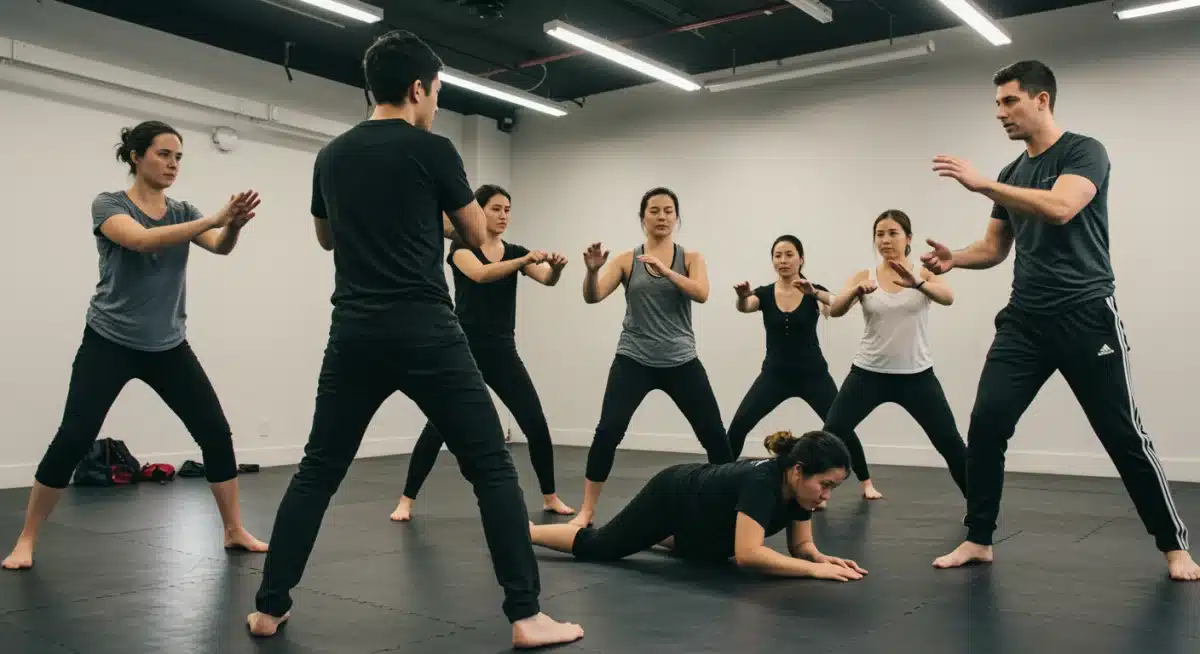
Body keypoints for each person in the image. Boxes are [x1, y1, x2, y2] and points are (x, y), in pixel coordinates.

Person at [245, 31, 585, 648]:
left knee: (318, 471)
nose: (435, 103)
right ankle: (527, 615)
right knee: (490, 468)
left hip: (353, 330)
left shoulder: (331, 155)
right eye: (437, 92)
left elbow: (326, 238)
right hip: (427, 329)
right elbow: (479, 234)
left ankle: (269, 608)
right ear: (418, 88)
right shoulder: (434, 150)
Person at [924, 60, 1199, 580]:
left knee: (1123, 435)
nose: (1001, 113)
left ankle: (1175, 547)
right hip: (1024, 322)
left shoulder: (1083, 151)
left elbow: (1062, 207)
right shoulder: (1010, 173)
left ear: (1042, 100)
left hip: (1086, 316)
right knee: (985, 426)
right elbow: (993, 247)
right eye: (997, 104)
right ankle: (978, 538)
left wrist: (983, 185)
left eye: (1010, 102)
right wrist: (954, 258)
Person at [1, 121, 267, 571]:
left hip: (168, 345)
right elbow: (141, 240)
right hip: (109, 340)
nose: (173, 164)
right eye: (164, 154)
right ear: (136, 157)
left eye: (179, 157)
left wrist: (233, 226)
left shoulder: (183, 210)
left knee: (215, 433)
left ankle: (233, 530)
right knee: (74, 437)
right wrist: (214, 218)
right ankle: (26, 538)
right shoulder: (109, 204)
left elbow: (220, 247)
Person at [391, 183, 575, 522]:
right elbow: (481, 275)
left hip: (502, 351)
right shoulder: (462, 248)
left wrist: (557, 267)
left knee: (535, 423)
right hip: (464, 352)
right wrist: (521, 260)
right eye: (495, 209)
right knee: (438, 428)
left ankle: (550, 496)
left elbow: (547, 279)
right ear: (478, 212)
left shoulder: (515, 250)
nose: (503, 215)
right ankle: (406, 499)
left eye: (507, 210)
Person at [572, 188, 734, 528]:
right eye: (654, 211)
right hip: (634, 358)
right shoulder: (624, 260)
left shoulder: (691, 258)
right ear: (642, 217)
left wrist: (666, 270)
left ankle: (734, 509)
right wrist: (590, 272)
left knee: (714, 434)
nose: (661, 217)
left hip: (681, 359)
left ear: (677, 218)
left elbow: (702, 294)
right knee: (608, 431)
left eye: (668, 211)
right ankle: (586, 511)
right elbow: (593, 297)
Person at [529, 430, 867, 582]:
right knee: (601, 546)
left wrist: (820, 558)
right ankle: (524, 530)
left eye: (833, 488)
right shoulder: (762, 483)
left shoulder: (800, 491)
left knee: (708, 555)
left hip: (705, 522)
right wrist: (812, 570)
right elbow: (749, 555)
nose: (827, 496)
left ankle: (645, 533)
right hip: (673, 495)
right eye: (825, 485)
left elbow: (800, 545)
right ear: (797, 471)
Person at [820, 210, 967, 504]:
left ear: (908, 238)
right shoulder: (864, 275)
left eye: (893, 233)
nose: (885, 240)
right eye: (880, 234)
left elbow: (948, 297)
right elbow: (834, 310)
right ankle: (813, 496)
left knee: (950, 442)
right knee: (830, 434)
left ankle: (980, 509)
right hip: (867, 374)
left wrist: (918, 283)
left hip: (916, 376)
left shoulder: (923, 272)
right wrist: (855, 293)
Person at [726, 235, 850, 461]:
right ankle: (717, 475)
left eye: (789, 255)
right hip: (774, 375)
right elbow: (745, 307)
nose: (783, 260)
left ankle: (865, 481)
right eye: (778, 255)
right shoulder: (764, 293)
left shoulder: (814, 291)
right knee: (739, 425)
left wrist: (815, 293)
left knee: (841, 427)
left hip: (813, 375)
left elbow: (835, 306)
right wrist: (742, 297)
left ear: (801, 259)